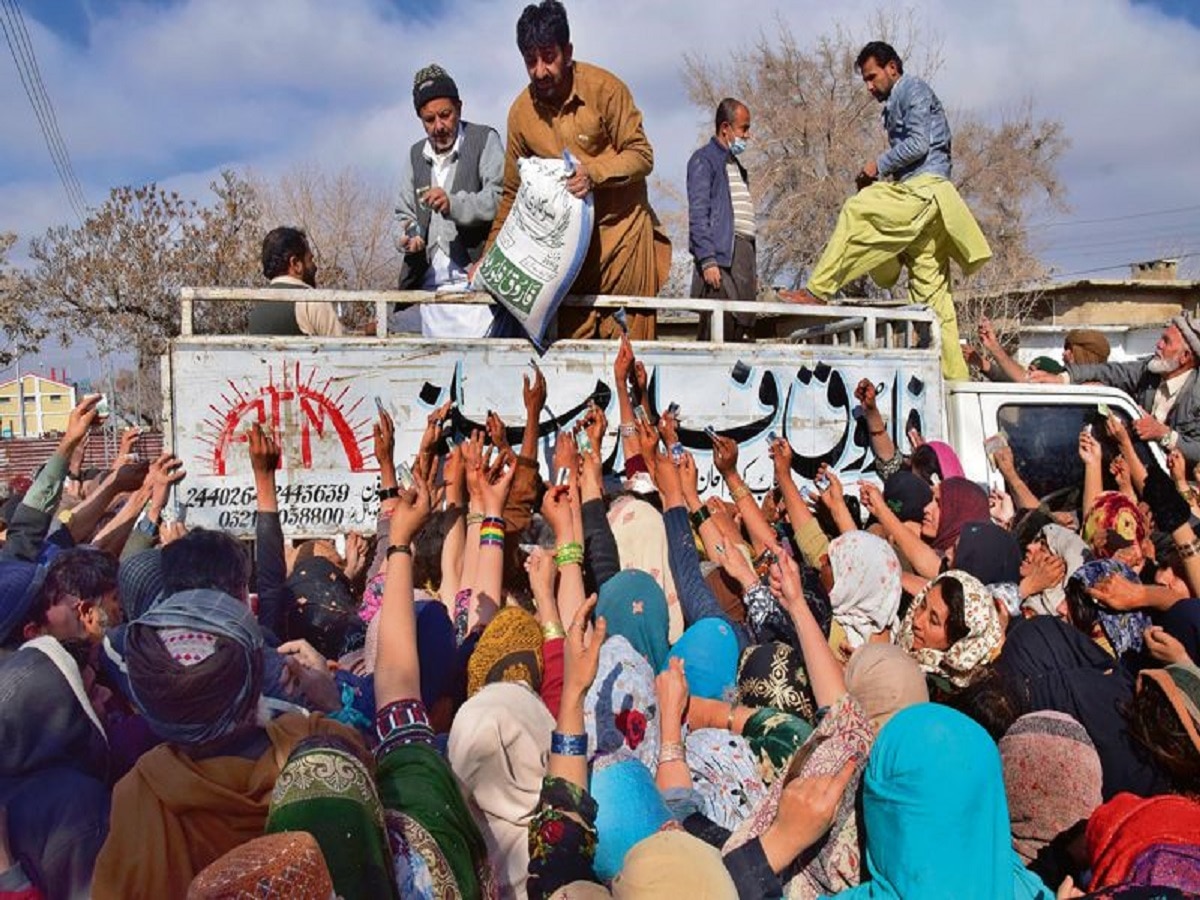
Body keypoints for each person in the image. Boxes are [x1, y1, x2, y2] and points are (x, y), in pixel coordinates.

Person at [784, 41, 991, 381]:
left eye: (872, 77)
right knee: (934, 305)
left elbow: (919, 143)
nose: (869, 86)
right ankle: (956, 389)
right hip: (932, 207)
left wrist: (875, 166)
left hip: (923, 193)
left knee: (858, 209)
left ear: (892, 67)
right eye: (865, 80)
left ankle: (818, 291)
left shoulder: (912, 90)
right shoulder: (898, 99)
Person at [483, 0, 671, 340]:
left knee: (632, 368)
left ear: (567, 51)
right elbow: (511, 193)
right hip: (566, 265)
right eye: (530, 60)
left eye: (548, 56)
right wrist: (489, 257)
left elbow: (642, 155)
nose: (540, 70)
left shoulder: (606, 90)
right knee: (572, 376)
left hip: (624, 244)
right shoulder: (520, 114)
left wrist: (594, 174)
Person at [395, 63, 504, 338]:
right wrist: (411, 236)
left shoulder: (484, 140)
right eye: (429, 120)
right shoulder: (414, 155)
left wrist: (454, 204)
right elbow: (404, 213)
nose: (439, 126)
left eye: (445, 115)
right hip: (431, 296)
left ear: (459, 107)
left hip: (478, 291)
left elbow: (501, 198)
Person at [1032, 313, 1200, 462]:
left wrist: (1164, 434)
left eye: (1166, 341)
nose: (1158, 344)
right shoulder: (1148, 371)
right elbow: (1109, 372)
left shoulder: (1196, 393)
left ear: (1185, 357)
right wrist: (1063, 378)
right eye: (1161, 338)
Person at [687, 98, 758, 342]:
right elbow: (698, 214)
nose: (748, 135)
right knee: (719, 332)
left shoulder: (736, 166)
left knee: (742, 330)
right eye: (744, 128)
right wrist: (707, 260)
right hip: (721, 262)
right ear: (725, 128)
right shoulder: (704, 160)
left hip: (741, 258)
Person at [249, 226, 344, 337]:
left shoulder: (256, 310)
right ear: (296, 264)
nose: (315, 266)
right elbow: (344, 350)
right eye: (310, 260)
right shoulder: (312, 302)